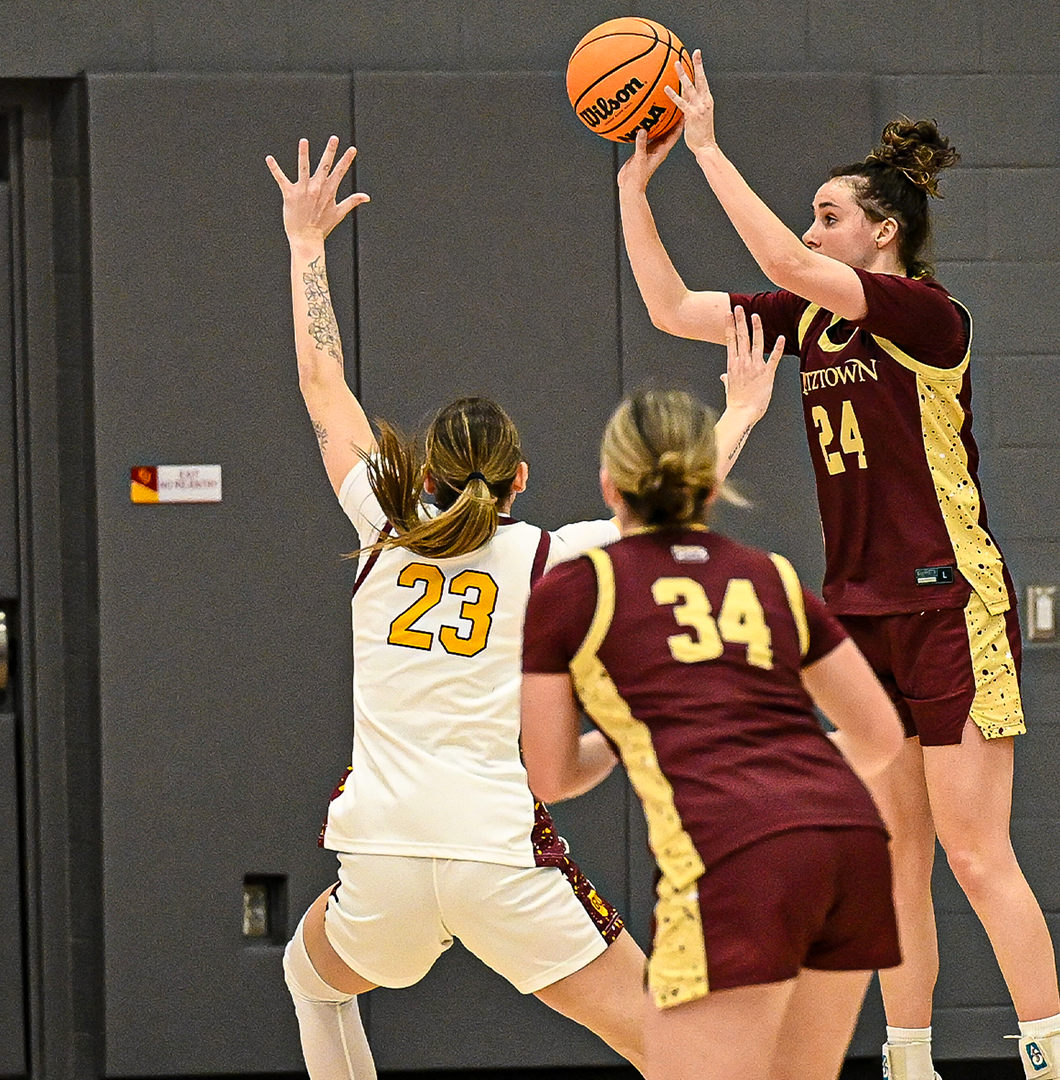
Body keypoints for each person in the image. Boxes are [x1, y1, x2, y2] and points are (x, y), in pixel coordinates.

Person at [614, 56, 1060, 1080]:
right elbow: (668, 308)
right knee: (889, 861)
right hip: (858, 614)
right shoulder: (808, 319)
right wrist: (631, 190)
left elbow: (786, 264)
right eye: (811, 216)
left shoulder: (925, 314)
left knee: (974, 851)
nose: (813, 229)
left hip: (947, 598)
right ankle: (906, 1060)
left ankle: (1049, 1058)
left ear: (883, 231)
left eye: (829, 215)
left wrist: (706, 145)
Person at [265, 135, 777, 1079]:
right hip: (499, 856)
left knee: (312, 977)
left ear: (420, 472)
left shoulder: (382, 525)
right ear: (522, 479)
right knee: (672, 1049)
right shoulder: (550, 554)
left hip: (379, 854)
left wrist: (305, 245)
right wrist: (743, 406)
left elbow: (321, 385)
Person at [519, 378, 907, 1080]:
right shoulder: (773, 577)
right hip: (849, 841)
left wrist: (619, 736)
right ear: (708, 486)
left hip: (732, 854)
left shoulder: (576, 592)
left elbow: (550, 777)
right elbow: (879, 737)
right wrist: (781, 769)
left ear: (609, 485)